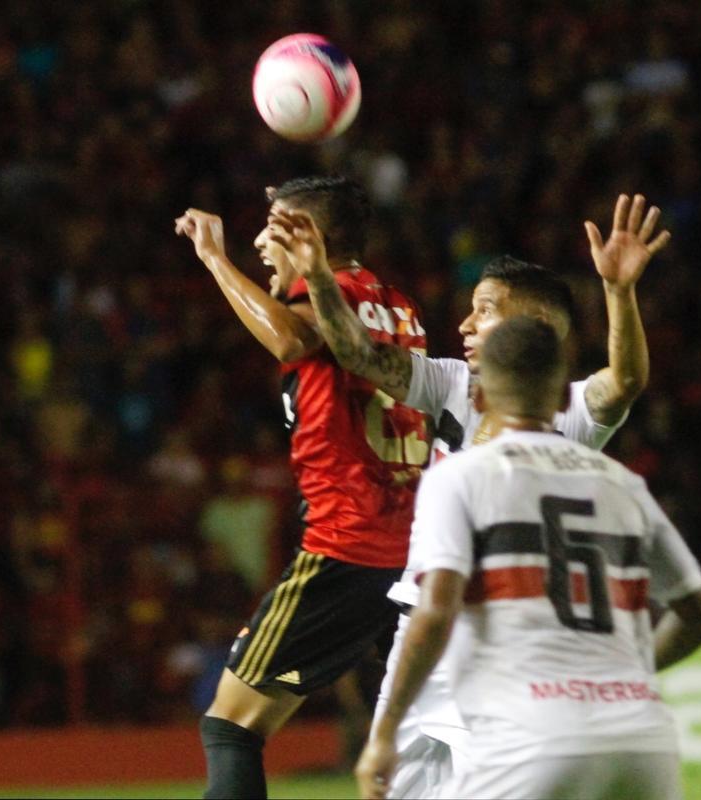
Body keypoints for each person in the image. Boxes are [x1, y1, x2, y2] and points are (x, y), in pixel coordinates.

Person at [268, 193, 671, 796]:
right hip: (420, 634)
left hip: (501, 645)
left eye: (483, 311)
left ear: (532, 326)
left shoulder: (570, 410)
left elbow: (627, 380)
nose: (463, 325)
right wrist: (321, 278)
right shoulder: (452, 382)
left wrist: (618, 292)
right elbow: (356, 353)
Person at [354, 316, 701, 799]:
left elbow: (436, 611)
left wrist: (385, 732)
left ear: (479, 401)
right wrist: (628, 678)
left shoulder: (460, 477)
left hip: (533, 739)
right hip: (643, 744)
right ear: (565, 399)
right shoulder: (624, 484)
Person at [174, 176, 432, 799]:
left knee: (231, 725)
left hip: (349, 544)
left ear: (309, 236)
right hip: (413, 545)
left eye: (273, 229)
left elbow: (292, 338)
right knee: (424, 731)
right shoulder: (396, 303)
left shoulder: (329, 292)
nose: (260, 242)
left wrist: (214, 259)